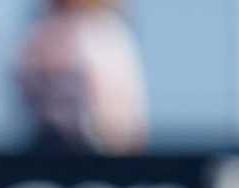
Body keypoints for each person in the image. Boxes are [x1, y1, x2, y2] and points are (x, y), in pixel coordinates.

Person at [15, 0, 149, 155]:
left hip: (98, 147)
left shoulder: (104, 33)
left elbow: (121, 108)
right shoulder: (41, 32)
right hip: (50, 146)